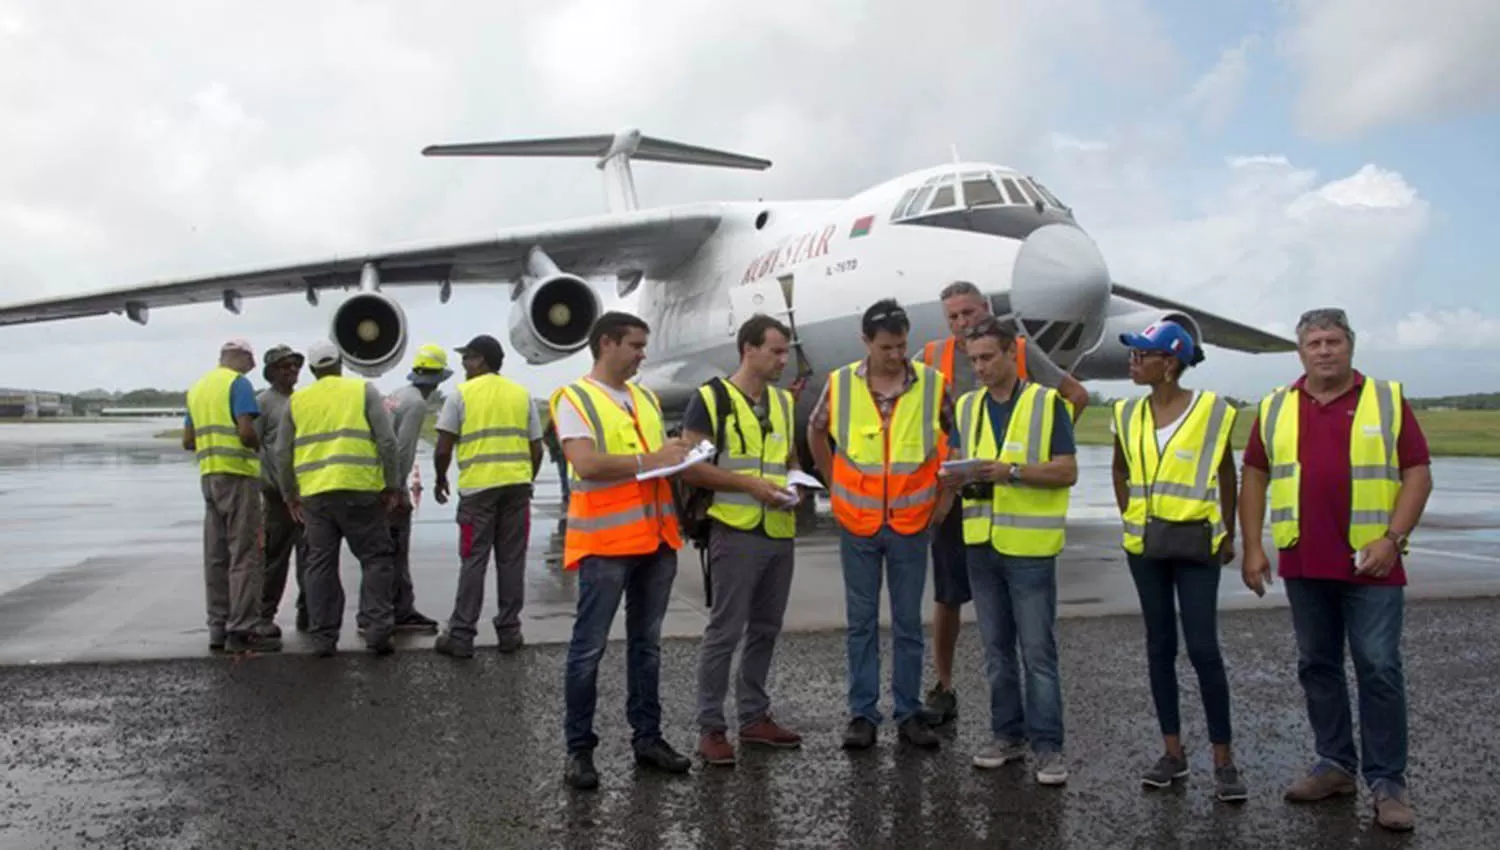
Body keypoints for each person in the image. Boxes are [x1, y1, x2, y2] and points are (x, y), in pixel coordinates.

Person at [1239, 308, 1432, 832]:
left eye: (1334, 341)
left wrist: (1393, 538)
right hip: (1304, 561)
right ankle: (1334, 765)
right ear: (1301, 352)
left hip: (1374, 564)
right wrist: (1252, 546)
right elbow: (1254, 474)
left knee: (1378, 666)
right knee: (1317, 665)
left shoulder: (1386, 400)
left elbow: (1417, 472)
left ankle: (1388, 781)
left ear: (1351, 346)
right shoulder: (1277, 406)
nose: (1325, 350)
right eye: (1314, 343)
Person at [916, 280, 1090, 726]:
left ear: (987, 310)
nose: (962, 324)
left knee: (1023, 621)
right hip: (957, 492)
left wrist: (1047, 446)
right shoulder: (931, 356)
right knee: (949, 594)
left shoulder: (1017, 349)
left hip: (1015, 491)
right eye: (953, 317)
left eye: (969, 314)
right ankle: (944, 684)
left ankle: (1036, 728)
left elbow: (1075, 395)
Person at [552, 311, 696, 790]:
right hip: (607, 543)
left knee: (647, 647)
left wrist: (677, 455)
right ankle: (578, 751)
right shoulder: (575, 397)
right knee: (588, 649)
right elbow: (586, 462)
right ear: (607, 343)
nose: (642, 354)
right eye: (634, 345)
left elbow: (652, 458)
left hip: (656, 540)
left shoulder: (646, 398)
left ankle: (648, 738)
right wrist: (650, 460)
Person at [1109, 320, 1247, 802]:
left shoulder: (1212, 410)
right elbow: (1120, 469)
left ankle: (1224, 761)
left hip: (1196, 543)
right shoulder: (1126, 413)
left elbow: (1228, 472)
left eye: (1141, 354)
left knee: (1204, 649)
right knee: (1158, 647)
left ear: (1169, 363)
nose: (1133, 362)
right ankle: (1173, 753)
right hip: (1145, 547)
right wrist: (1130, 512)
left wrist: (1227, 529)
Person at [938, 317, 1076, 785]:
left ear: (1011, 354)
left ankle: (1049, 748)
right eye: (973, 359)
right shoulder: (968, 407)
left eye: (987, 358)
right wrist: (955, 476)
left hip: (1030, 546)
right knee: (996, 651)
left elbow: (1066, 471)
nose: (979, 367)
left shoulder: (1046, 402)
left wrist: (1011, 472)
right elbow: (959, 459)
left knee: (1037, 651)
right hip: (981, 542)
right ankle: (1007, 736)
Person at [808, 298, 948, 751]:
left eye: (902, 345)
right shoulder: (840, 384)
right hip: (858, 522)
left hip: (911, 522)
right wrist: (833, 482)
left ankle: (908, 712)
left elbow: (956, 440)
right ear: (865, 342)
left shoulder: (932, 384)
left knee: (908, 623)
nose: (896, 355)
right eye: (887, 346)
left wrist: (944, 498)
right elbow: (816, 430)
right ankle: (862, 714)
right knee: (861, 623)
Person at [680, 314, 804, 766]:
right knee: (725, 631)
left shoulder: (783, 403)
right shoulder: (711, 399)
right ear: (748, 349)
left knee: (766, 629)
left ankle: (753, 717)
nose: (782, 360)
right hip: (734, 529)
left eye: (785, 352)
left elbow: (788, 457)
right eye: (775, 351)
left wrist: (796, 484)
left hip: (778, 530)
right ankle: (711, 727)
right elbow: (691, 467)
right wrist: (748, 485)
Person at [274, 340, 404, 657]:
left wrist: (289, 494)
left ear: (314, 369)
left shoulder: (298, 401)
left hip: (316, 496)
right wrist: (392, 485)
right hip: (361, 491)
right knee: (375, 560)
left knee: (320, 565)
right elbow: (387, 441)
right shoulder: (363, 391)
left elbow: (281, 452)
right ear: (340, 364)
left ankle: (323, 636)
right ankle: (377, 631)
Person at [431, 334, 543, 657]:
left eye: (468, 358)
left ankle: (462, 634)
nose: (464, 364)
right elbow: (537, 449)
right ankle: (509, 631)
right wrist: (525, 480)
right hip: (516, 491)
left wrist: (440, 478)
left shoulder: (461, 395)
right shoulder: (522, 395)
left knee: (473, 561)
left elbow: (443, 447)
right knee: (511, 562)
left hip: (478, 493)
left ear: (482, 360)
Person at [185, 338, 279, 653]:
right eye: (250, 361)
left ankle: (217, 626)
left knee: (216, 555)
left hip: (209, 476)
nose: (253, 368)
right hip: (238, 476)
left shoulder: (197, 388)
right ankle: (243, 628)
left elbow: (188, 440)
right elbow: (246, 431)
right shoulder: (238, 384)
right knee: (245, 554)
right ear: (239, 357)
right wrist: (258, 446)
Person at [367, 344, 450, 635]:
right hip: (389, 486)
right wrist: (398, 488)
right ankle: (398, 611)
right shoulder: (415, 404)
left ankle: (378, 611)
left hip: (374, 479)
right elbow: (401, 449)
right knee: (396, 550)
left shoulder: (399, 395)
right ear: (438, 379)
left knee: (381, 554)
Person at [256, 344, 308, 635]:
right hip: (277, 496)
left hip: (305, 493)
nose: (291, 370)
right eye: (284, 366)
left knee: (310, 556)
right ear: (272, 371)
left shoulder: (301, 401)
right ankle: (264, 614)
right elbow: (254, 445)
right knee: (275, 558)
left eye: (294, 365)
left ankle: (308, 610)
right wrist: (269, 484)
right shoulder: (263, 403)